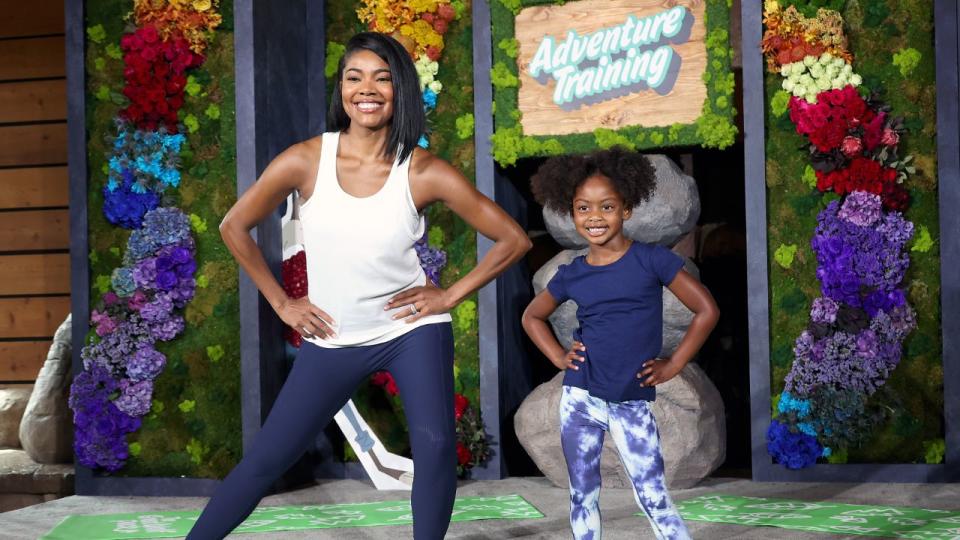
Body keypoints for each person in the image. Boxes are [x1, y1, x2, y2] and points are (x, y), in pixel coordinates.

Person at [187, 32, 531, 539]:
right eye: (355, 77)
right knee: (268, 458)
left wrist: (448, 295)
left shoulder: (424, 170)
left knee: (435, 448)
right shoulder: (305, 160)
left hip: (410, 332)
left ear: (400, 91)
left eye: (382, 78)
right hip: (334, 338)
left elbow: (513, 239)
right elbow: (232, 226)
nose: (367, 89)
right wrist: (282, 302)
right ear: (342, 90)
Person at [521, 148, 719, 540]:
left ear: (626, 209)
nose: (594, 217)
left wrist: (674, 364)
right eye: (583, 208)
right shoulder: (572, 273)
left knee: (652, 494)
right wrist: (560, 357)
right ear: (572, 213)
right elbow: (531, 316)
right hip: (580, 397)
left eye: (606, 206)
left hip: (630, 399)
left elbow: (706, 310)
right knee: (583, 493)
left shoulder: (651, 260)